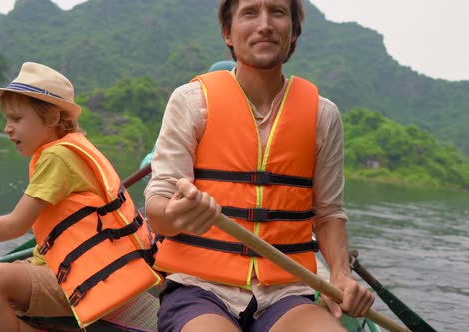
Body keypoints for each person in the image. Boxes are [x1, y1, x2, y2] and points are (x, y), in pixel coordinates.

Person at [145, 0, 375, 331]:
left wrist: (341, 274)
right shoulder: (191, 102)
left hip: (287, 293)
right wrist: (176, 213)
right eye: (250, 12)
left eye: (278, 13)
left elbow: (328, 214)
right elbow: (158, 208)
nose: (264, 24)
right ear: (228, 31)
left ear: (293, 30)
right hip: (198, 288)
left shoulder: (323, 116)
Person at [0, 62, 162, 331]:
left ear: (53, 118)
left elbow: (17, 224)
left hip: (86, 278)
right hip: (57, 267)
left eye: (17, 119)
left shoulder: (59, 156)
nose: (8, 128)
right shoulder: (63, 151)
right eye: (7, 119)